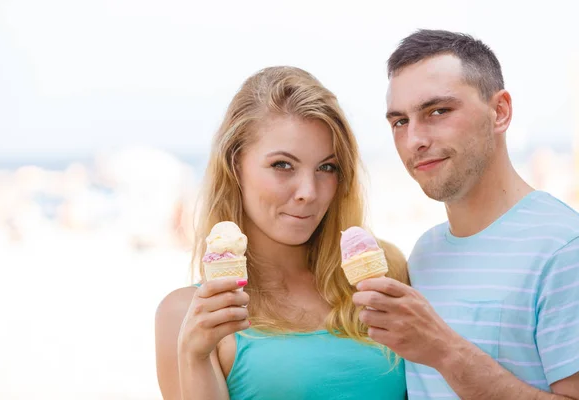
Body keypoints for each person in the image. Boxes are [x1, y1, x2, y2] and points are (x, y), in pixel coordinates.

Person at [155, 66, 409, 400]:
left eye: (326, 168)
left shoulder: (385, 270)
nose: (309, 192)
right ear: (235, 165)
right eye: (282, 165)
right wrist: (194, 356)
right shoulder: (187, 313)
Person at [353, 29, 579, 399]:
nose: (414, 141)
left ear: (500, 112)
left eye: (437, 111)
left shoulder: (565, 249)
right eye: (400, 122)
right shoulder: (425, 253)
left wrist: (444, 350)